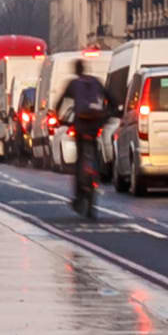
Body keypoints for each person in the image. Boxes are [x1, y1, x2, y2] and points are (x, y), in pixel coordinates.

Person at [66, 60, 108, 219]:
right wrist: (108, 115)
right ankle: (99, 171)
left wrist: (58, 116)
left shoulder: (74, 84)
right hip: (96, 124)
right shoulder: (96, 82)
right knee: (94, 147)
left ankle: (78, 196)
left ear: (76, 70)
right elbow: (111, 98)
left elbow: (61, 102)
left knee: (80, 160)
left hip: (81, 125)